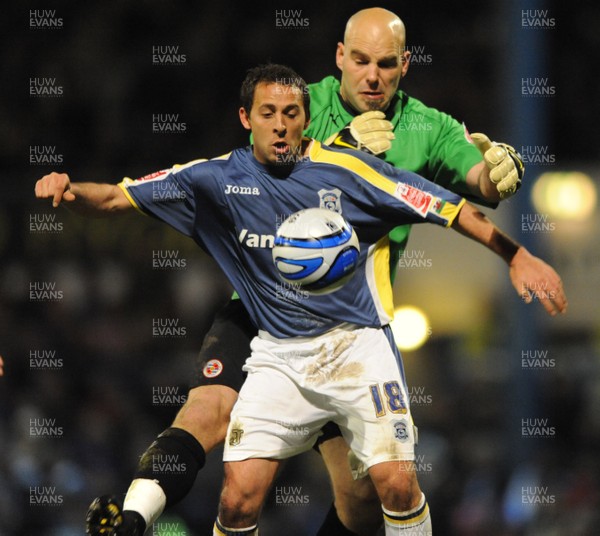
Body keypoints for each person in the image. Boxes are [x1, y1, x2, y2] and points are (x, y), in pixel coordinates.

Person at [61, 7, 560, 536]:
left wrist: (499, 171)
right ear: (340, 58)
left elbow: (475, 182)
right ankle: (133, 519)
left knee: (362, 501)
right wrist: (347, 142)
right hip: (261, 313)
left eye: (387, 64)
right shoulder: (302, 100)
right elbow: (247, 158)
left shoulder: (428, 127)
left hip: (347, 323)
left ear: (405, 65)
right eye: (361, 61)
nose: (372, 76)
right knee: (207, 414)